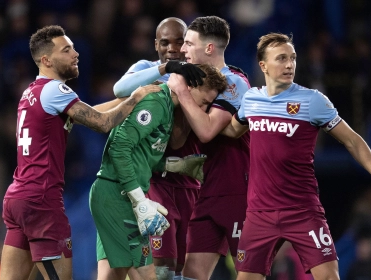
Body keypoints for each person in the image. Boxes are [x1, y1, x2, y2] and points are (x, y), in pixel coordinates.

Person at [219, 32, 371, 280]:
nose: (289, 64)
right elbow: (230, 131)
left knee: (328, 277)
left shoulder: (312, 101)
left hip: (302, 211)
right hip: (259, 213)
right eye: (281, 58)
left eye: (292, 58)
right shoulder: (251, 100)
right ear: (263, 65)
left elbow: (353, 140)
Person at [0, 25, 154, 280]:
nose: (75, 53)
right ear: (47, 60)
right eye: (66, 50)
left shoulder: (31, 93)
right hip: (42, 201)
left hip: (18, 199)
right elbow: (103, 123)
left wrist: (125, 97)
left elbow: (90, 112)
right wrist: (137, 97)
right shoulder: (56, 90)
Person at [89, 64, 228, 280]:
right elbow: (119, 148)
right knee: (148, 276)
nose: (203, 109)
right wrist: (139, 200)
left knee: (111, 276)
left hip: (116, 195)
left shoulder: (168, 112)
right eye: (204, 102)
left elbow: (141, 155)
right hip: (118, 197)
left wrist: (177, 166)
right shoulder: (156, 103)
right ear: (189, 88)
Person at [113, 17, 207, 279]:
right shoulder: (147, 68)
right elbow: (119, 89)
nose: (173, 48)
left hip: (189, 184)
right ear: (156, 45)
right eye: (165, 43)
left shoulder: (200, 73)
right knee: (160, 267)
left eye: (180, 42)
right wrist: (167, 69)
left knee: (180, 268)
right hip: (155, 182)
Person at [167, 16, 251, 280]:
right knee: (192, 273)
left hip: (238, 192)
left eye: (190, 43)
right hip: (207, 192)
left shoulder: (234, 82)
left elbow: (206, 131)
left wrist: (181, 92)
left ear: (209, 49)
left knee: (250, 274)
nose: (183, 49)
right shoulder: (195, 80)